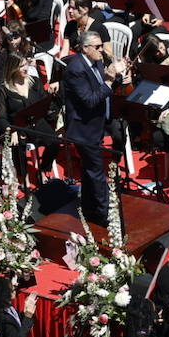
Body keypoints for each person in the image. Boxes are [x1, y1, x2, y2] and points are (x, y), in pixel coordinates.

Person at [63, 30, 123, 224]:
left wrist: (119, 76)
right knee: (97, 172)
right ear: (85, 48)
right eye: (97, 47)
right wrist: (110, 80)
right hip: (83, 129)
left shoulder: (96, 60)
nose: (101, 50)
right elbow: (90, 100)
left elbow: (102, 83)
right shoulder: (75, 70)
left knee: (90, 171)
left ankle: (90, 210)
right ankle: (106, 216)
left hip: (96, 124)